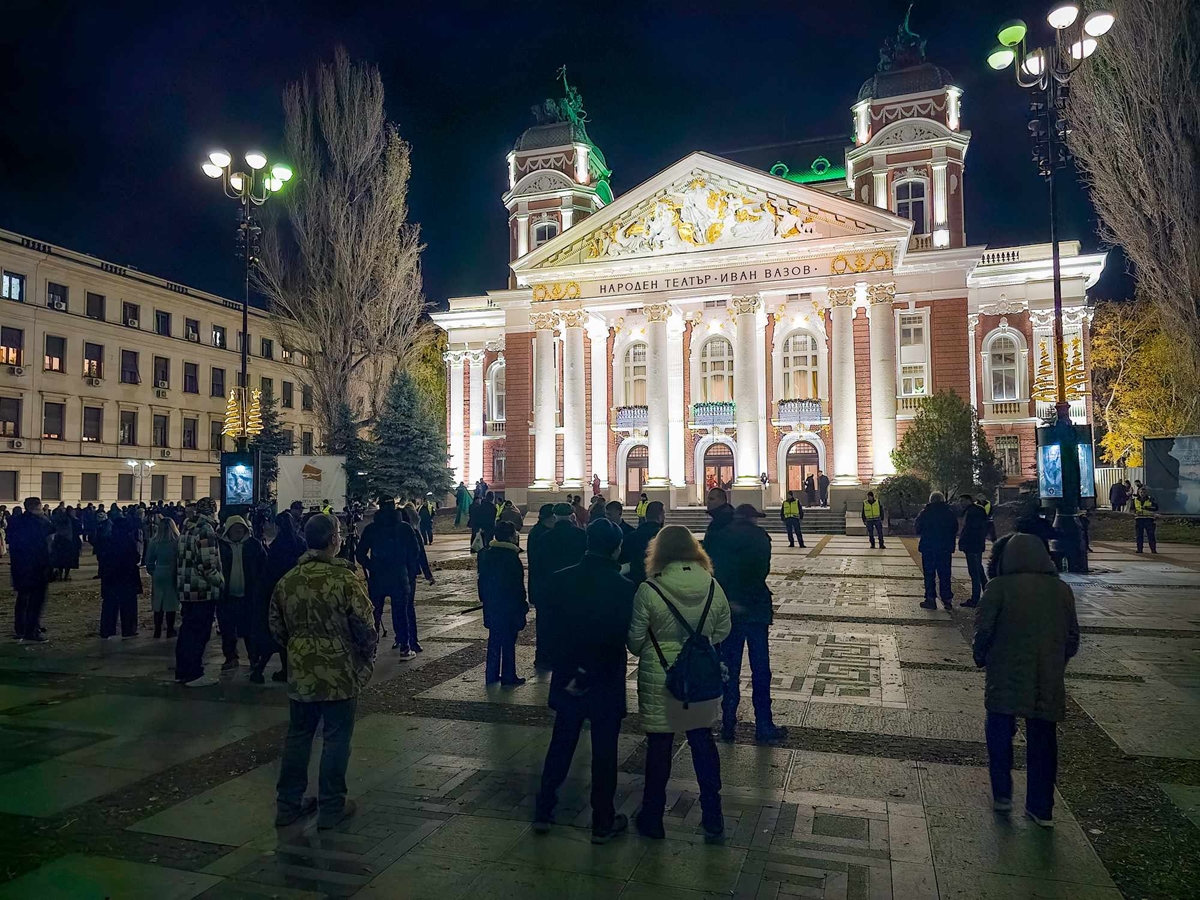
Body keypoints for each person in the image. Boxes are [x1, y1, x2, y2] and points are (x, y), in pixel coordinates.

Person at [271, 513, 378, 830]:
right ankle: (332, 806)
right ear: (334, 540)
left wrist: (299, 648)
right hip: (339, 670)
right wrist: (363, 657)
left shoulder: (288, 580)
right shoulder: (344, 579)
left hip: (301, 670)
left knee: (298, 736)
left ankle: (287, 805)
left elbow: (276, 627)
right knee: (336, 738)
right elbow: (365, 627)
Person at [534, 518, 635, 843]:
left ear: (587, 541)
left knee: (561, 745)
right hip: (605, 679)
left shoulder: (560, 580)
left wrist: (568, 668)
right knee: (605, 753)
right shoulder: (624, 588)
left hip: (570, 678)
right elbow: (624, 637)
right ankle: (602, 822)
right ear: (617, 548)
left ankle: (543, 810)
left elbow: (547, 635)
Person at [629, 525, 731, 842]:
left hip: (661, 678)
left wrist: (659, 647)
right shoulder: (713, 586)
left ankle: (653, 818)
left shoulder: (650, 589)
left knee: (659, 749)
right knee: (702, 743)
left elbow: (633, 641)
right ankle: (713, 816)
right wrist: (699, 646)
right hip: (700, 677)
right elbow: (724, 629)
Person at [973, 533, 1079, 827]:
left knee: (999, 734)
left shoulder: (998, 588)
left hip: (1004, 674)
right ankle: (1041, 807)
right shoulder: (1061, 590)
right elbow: (1072, 638)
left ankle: (1003, 796)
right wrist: (1056, 662)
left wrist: (980, 657)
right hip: (1047, 676)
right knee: (1044, 741)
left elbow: (983, 631)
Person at [707, 504, 787, 744]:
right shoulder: (761, 538)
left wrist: (730, 598)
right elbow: (762, 570)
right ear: (753, 518)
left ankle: (728, 723)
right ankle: (764, 724)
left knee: (729, 667)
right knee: (760, 669)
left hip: (730, 609)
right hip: (755, 609)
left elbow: (716, 571)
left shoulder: (721, 537)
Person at [356, 498, 427, 658]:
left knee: (375, 613)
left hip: (378, 577)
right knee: (401, 612)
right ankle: (405, 646)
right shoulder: (404, 528)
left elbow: (360, 553)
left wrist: (372, 566)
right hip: (399, 576)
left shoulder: (372, 529)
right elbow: (414, 552)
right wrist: (408, 569)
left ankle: (372, 649)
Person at [527, 503, 587, 670]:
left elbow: (537, 566)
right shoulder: (581, 535)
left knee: (546, 626)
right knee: (572, 626)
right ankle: (571, 657)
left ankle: (545, 658)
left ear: (555, 516)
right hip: (574, 590)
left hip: (550, 589)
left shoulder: (545, 538)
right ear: (572, 516)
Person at [175, 497, 226, 687]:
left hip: (186, 588)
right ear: (213, 511)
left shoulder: (187, 528)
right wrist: (221, 582)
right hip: (202, 590)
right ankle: (194, 673)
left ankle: (183, 671)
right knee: (199, 633)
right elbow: (207, 566)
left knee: (187, 631)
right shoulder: (206, 531)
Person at [252, 512, 308, 683]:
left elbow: (268, 571)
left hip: (274, 591)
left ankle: (260, 669)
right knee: (289, 632)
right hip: (295, 591)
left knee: (274, 633)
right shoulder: (299, 543)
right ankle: (286, 669)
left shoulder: (276, 546)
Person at [476, 521, 528, 687]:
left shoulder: (485, 554)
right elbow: (517, 586)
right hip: (509, 606)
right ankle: (508, 675)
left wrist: (485, 599)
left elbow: (481, 581)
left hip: (492, 605)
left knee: (494, 639)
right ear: (512, 536)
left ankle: (491, 674)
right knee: (508, 642)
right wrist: (522, 605)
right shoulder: (511, 558)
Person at [218, 516, 266, 671]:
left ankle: (254, 658)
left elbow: (263, 567)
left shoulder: (254, 545)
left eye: (241, 528)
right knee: (227, 629)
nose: (238, 531)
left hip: (249, 596)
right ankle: (230, 657)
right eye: (235, 528)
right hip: (227, 596)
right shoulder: (221, 546)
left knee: (250, 630)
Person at [9, 497, 52, 642]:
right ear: (37, 507)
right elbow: (48, 542)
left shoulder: (16, 521)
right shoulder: (41, 522)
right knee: (36, 600)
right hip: (37, 567)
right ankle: (32, 631)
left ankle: (21, 628)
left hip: (19, 566)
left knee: (22, 598)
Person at [98, 513, 143, 639]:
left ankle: (107, 630)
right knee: (128, 606)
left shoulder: (108, 540)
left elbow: (103, 558)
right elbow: (135, 558)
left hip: (111, 577)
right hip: (127, 578)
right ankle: (128, 629)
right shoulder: (129, 541)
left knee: (109, 605)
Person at [915, 491, 958, 610]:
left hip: (928, 548)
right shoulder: (949, 513)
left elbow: (917, 528)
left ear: (931, 500)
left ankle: (930, 599)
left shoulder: (925, 513)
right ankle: (947, 600)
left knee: (929, 574)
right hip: (945, 549)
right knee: (945, 574)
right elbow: (955, 528)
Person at [145, 517, 181, 638]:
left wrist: (153, 572)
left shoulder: (154, 541)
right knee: (171, 603)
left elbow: (149, 561)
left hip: (159, 572)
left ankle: (157, 629)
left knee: (158, 603)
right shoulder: (177, 541)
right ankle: (170, 630)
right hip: (172, 572)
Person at [620, 500, 664, 587]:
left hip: (634, 583)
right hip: (658, 584)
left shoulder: (630, 537)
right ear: (660, 517)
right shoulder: (664, 538)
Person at [958, 494, 989, 608]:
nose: (960, 503)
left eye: (962, 501)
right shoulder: (979, 511)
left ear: (968, 500)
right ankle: (987, 593)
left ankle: (975, 599)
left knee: (974, 572)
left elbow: (968, 529)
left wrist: (963, 542)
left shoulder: (971, 512)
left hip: (971, 545)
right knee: (979, 570)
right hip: (978, 544)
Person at [51, 515, 82, 580]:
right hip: (68, 543)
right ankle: (66, 575)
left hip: (59, 544)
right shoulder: (69, 527)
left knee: (60, 560)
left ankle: (60, 574)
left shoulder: (58, 528)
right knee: (68, 560)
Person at [1132, 486, 1158, 554]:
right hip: (1139, 519)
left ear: (1146, 493)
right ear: (1138, 492)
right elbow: (1132, 509)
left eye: (1144, 492)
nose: (1142, 494)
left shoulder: (1150, 499)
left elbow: (1156, 508)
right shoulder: (1135, 500)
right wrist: (1135, 512)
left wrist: (1146, 508)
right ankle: (1139, 549)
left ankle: (1153, 549)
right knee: (1139, 535)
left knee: (1151, 535)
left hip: (1149, 519)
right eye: (1141, 492)